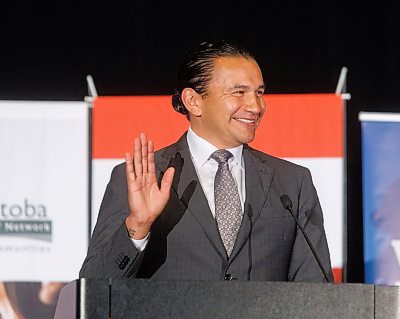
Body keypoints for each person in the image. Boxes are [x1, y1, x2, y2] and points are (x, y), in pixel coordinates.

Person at [79, 40, 333, 282]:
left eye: (259, 93)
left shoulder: (292, 183)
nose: (255, 106)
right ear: (193, 101)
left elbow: (315, 293)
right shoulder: (142, 177)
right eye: (239, 92)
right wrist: (138, 225)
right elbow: (93, 284)